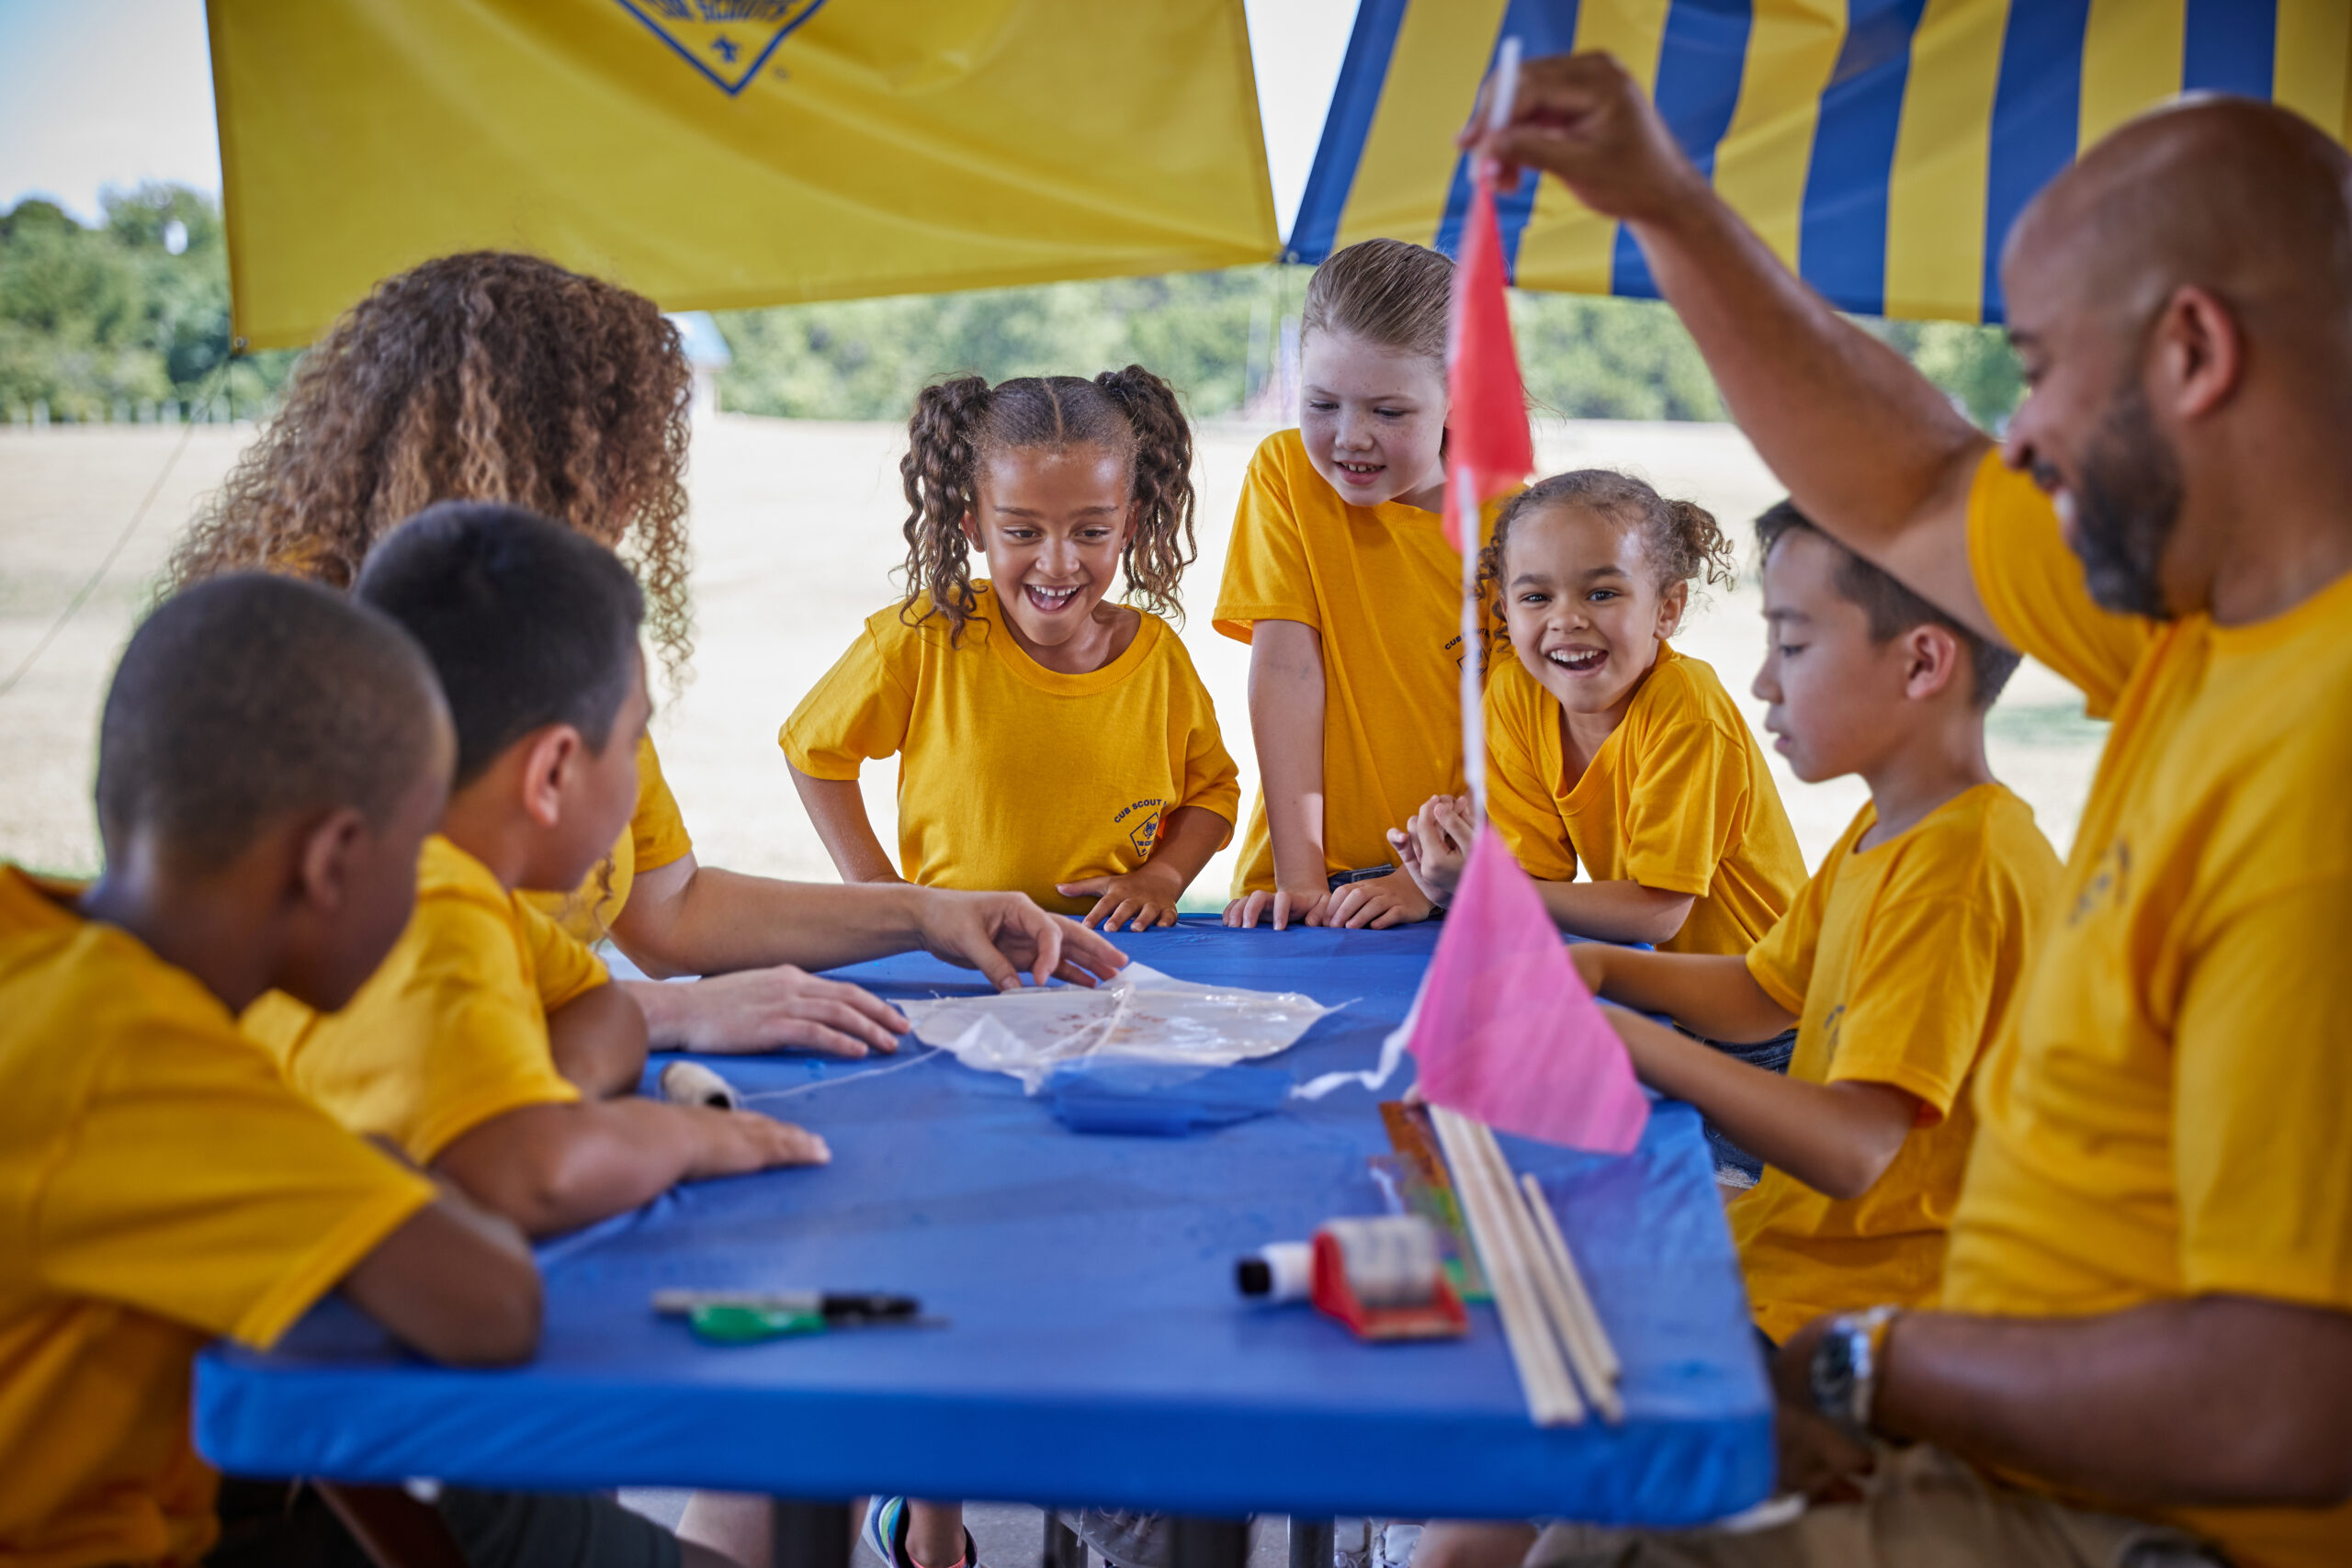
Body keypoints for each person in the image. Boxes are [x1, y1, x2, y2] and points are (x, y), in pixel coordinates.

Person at [1462, 51, 2352, 1568]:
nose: (2020, 432)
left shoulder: (2319, 764)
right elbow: (1915, 490)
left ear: (2194, 353)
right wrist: (1667, 207)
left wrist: (1854, 1368)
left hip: (2123, 1510)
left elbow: (2290, 1399)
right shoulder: (2202, 626)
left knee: (1604, 1541)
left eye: (2042, 364)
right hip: (2000, 1413)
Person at [165, 251, 1124, 1057]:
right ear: (539, 456)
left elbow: (671, 910)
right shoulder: (294, 632)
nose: (634, 502)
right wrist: (670, 1015)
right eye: (623, 464)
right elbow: (360, 999)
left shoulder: (545, 619)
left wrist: (920, 915)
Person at [1415, 493, 2063, 1568]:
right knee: (1482, 1419)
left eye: (1792, 644)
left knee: (1548, 1501)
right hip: (1789, 1261)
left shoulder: (1961, 871)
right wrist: (1599, 968)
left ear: (1923, 664)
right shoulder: (1888, 827)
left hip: (1863, 1321)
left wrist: (1621, 1032)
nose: (1761, 680)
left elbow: (1857, 1150)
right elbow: (1766, 991)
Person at [0, 572, 673, 1568]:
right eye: (415, 858)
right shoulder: (131, 1054)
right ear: (332, 862)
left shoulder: (42, 947)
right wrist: (369, 1165)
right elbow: (490, 1306)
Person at [246, 503, 827, 1238]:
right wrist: (683, 1138)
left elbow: (603, 1009)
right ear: (551, 771)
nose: (635, 772)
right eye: (631, 739)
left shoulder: (459, 887)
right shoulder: (427, 914)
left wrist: (548, 1093)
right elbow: (536, 1182)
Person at [784, 370, 1241, 930]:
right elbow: (813, 751)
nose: (1057, 563)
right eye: (1022, 532)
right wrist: (877, 887)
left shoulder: (1159, 661)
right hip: (956, 962)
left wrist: (1164, 877)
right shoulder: (928, 636)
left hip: (1115, 960)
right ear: (974, 526)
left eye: (1091, 532)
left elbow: (1213, 791)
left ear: (1129, 525)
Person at [1389, 469, 1804, 954]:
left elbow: (1657, 912)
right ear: (1505, 611)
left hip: (1771, 1010)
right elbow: (1537, 884)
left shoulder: (1687, 708)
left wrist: (1491, 889)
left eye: (1602, 593)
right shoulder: (1515, 696)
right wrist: (1451, 887)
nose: (1566, 619)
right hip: (1658, 989)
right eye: (1536, 598)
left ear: (1667, 608)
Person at [1218, 239, 1500, 931]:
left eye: (1389, 412)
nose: (1350, 438)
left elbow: (1524, 739)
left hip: (1458, 889)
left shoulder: (1524, 528)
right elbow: (1285, 668)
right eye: (1321, 403)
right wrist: (1303, 879)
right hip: (1296, 883)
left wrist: (1425, 881)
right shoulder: (1285, 475)